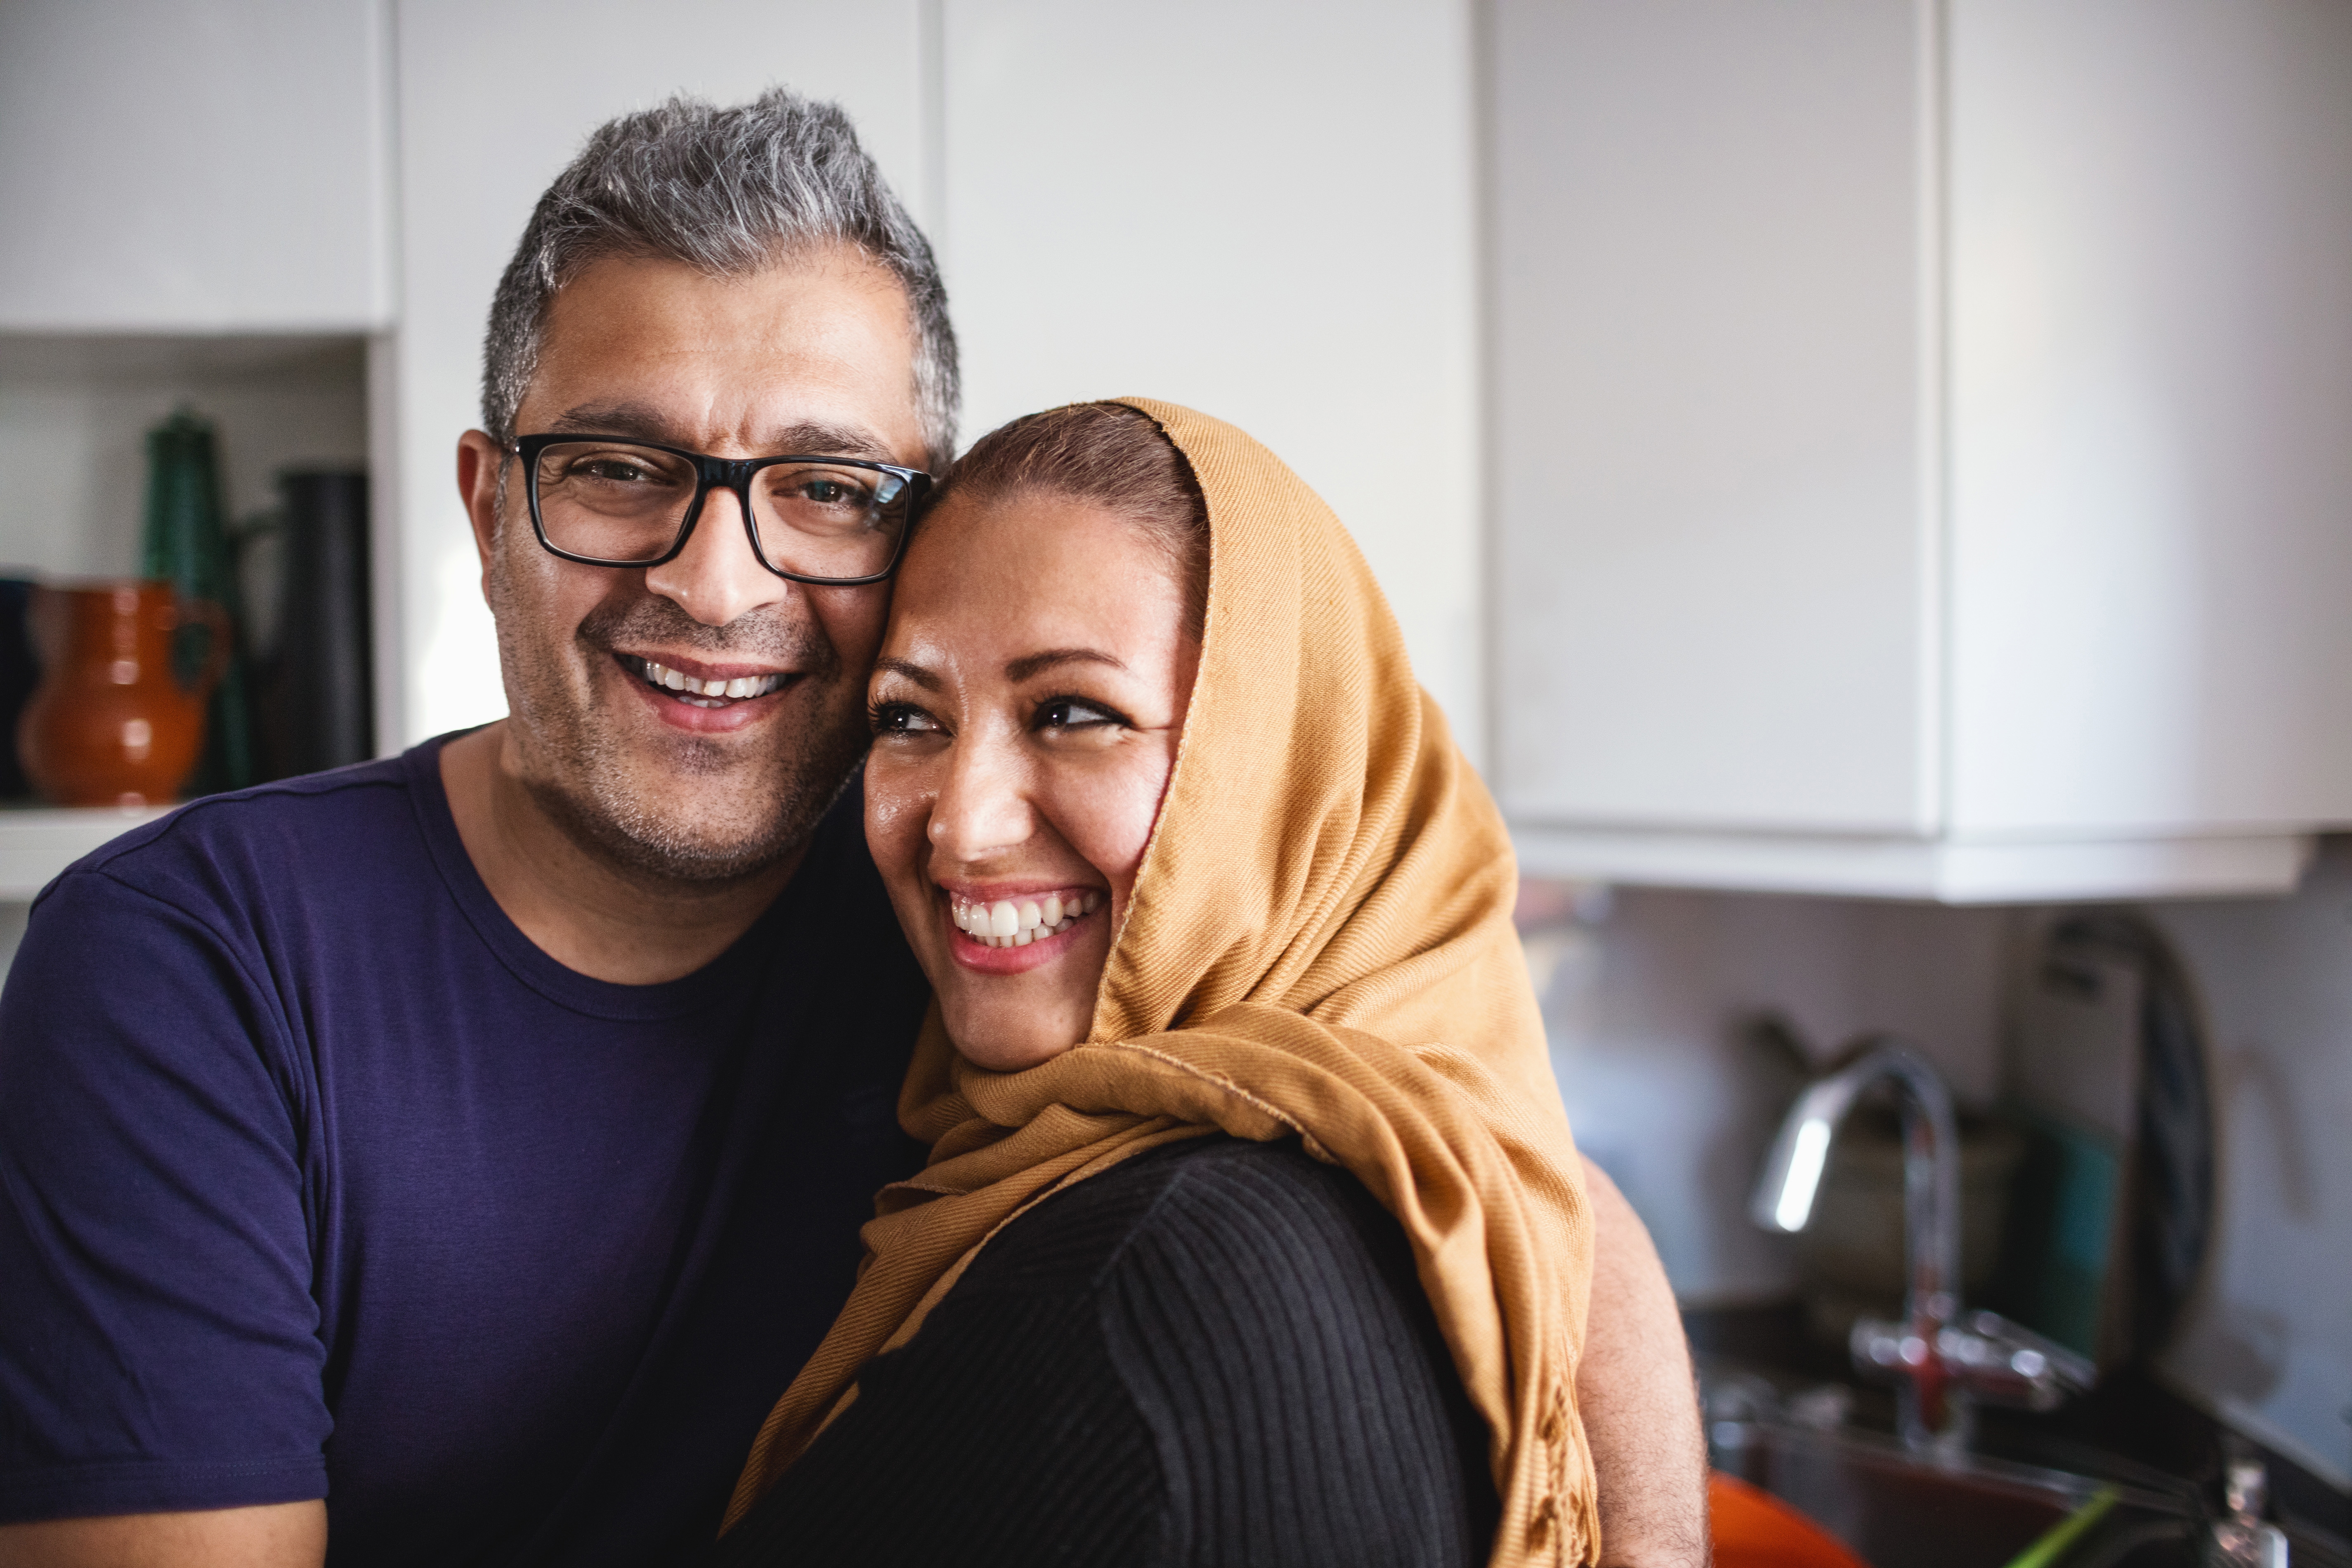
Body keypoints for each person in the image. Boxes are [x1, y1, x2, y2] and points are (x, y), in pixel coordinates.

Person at [0, 92, 1699, 1568]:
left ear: (924, 533)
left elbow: (1519, 1176)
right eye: (614, 464)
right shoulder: (196, 964)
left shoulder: (982, 903)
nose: (713, 577)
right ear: (488, 508)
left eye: (824, 490)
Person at [709, 398, 1625, 1567]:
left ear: (1280, 769)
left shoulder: (1143, 1283)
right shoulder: (1428, 1159)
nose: (962, 828)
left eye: (1073, 713)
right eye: (908, 717)